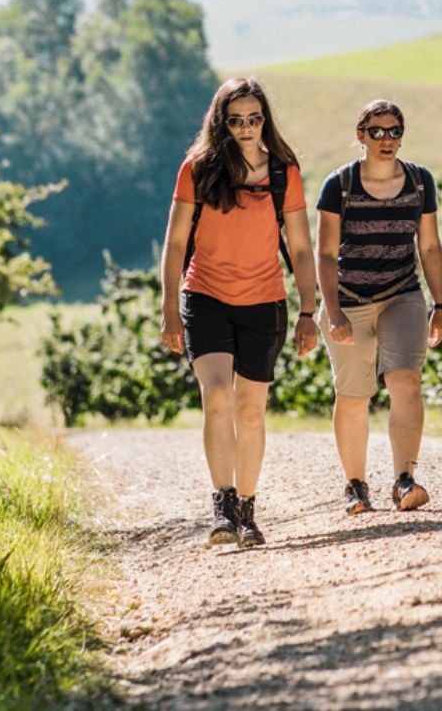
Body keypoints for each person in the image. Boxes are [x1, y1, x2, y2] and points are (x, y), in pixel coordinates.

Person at [159, 75, 319, 549]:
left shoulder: (282, 173)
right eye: (236, 121)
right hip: (205, 297)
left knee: (251, 410)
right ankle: (222, 503)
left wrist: (308, 310)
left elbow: (301, 248)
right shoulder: (197, 169)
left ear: (265, 120)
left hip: (264, 302)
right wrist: (169, 308)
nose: (246, 128)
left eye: (254, 119)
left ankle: (247, 509)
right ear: (220, 122)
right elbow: (175, 243)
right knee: (216, 396)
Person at [315, 98, 442, 514]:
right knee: (354, 394)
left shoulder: (420, 182)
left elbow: (429, 246)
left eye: (394, 131)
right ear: (361, 136)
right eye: (376, 131)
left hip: (401, 294)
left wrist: (441, 304)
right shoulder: (339, 185)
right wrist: (333, 312)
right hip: (349, 300)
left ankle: (404, 479)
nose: (386, 139)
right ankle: (355, 485)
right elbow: (325, 255)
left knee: (406, 378)